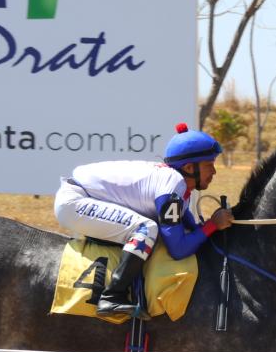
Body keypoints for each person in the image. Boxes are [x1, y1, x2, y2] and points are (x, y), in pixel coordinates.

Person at [52, 124, 234, 315]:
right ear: (189, 167)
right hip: (74, 203)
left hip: (80, 197)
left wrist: (209, 227)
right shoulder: (172, 184)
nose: (214, 172)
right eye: (209, 165)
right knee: (147, 228)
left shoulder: (179, 186)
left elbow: (189, 226)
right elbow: (178, 249)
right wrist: (213, 224)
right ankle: (111, 297)